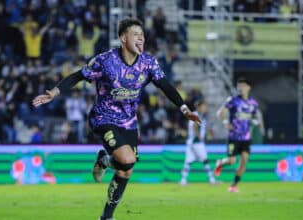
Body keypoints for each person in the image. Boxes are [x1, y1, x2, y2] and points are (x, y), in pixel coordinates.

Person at [32, 18, 200, 220]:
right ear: (123, 38)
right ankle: (105, 160)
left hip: (129, 122)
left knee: (125, 171)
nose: (141, 38)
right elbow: (78, 76)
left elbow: (165, 85)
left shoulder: (148, 63)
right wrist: (54, 92)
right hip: (103, 118)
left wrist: (184, 109)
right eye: (135, 34)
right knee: (127, 159)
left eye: (142, 34)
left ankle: (106, 215)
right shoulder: (106, 61)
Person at [214, 77, 260, 193]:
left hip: (246, 138)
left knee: (244, 159)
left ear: (249, 87)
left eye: (243, 85)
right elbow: (220, 114)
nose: (240, 88)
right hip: (233, 137)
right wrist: (225, 122)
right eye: (239, 86)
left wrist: (255, 122)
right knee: (232, 161)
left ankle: (233, 185)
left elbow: (253, 117)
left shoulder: (253, 103)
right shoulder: (233, 100)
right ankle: (220, 162)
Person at [180, 99, 216, 185]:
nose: (205, 108)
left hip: (191, 142)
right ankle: (211, 179)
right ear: (199, 107)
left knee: (188, 161)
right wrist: (200, 137)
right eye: (204, 106)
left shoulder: (199, 115)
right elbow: (195, 126)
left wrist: (208, 131)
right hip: (196, 142)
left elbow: (201, 126)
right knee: (205, 159)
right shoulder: (196, 114)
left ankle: (183, 180)